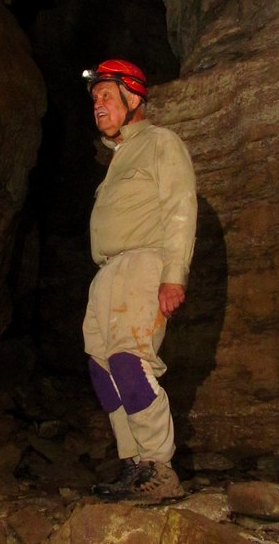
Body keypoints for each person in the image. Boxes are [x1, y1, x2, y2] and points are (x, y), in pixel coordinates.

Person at [82, 58, 198, 500]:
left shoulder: (160, 143)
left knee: (132, 361)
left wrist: (174, 275)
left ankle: (159, 466)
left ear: (134, 98)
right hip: (107, 272)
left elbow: (180, 208)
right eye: (96, 100)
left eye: (107, 96)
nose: (99, 106)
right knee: (102, 366)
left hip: (143, 264)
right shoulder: (119, 157)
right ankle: (134, 464)